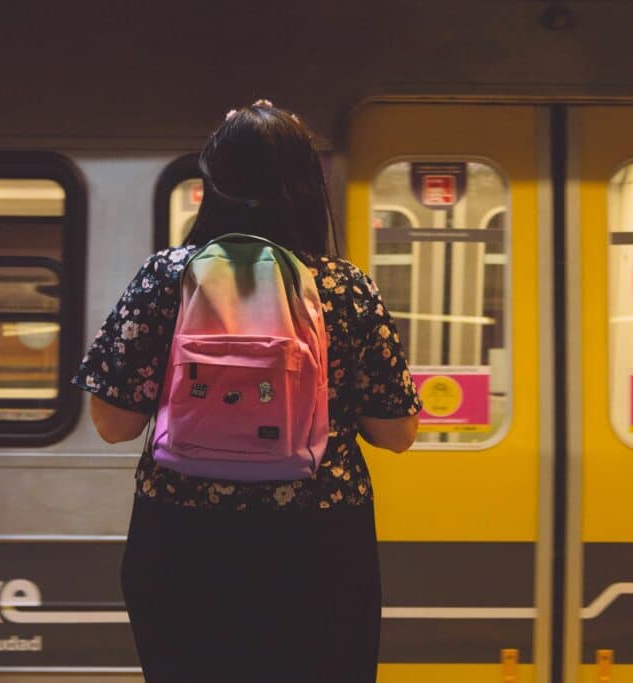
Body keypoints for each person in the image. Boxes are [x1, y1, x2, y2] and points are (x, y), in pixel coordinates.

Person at [73, 100, 422, 683]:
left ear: (212, 185)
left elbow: (113, 423)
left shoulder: (166, 278)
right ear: (310, 186)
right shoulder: (344, 287)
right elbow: (397, 433)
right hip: (318, 548)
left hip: (183, 542)